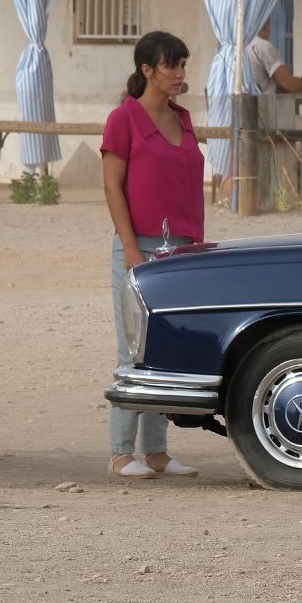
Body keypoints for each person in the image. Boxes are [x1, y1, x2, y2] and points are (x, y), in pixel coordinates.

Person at [101, 31, 204, 480]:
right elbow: (111, 187)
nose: (180, 74)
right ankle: (121, 454)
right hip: (139, 247)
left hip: (182, 250)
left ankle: (157, 452)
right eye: (171, 66)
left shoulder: (184, 118)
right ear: (147, 70)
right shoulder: (122, 119)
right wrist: (128, 248)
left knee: (167, 350)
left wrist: (197, 246)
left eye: (183, 65)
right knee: (133, 350)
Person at [246, 20, 302, 94]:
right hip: (261, 104)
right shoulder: (262, 46)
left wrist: (301, 80)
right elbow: (290, 84)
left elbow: (280, 82)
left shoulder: (241, 46)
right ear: (265, 27)